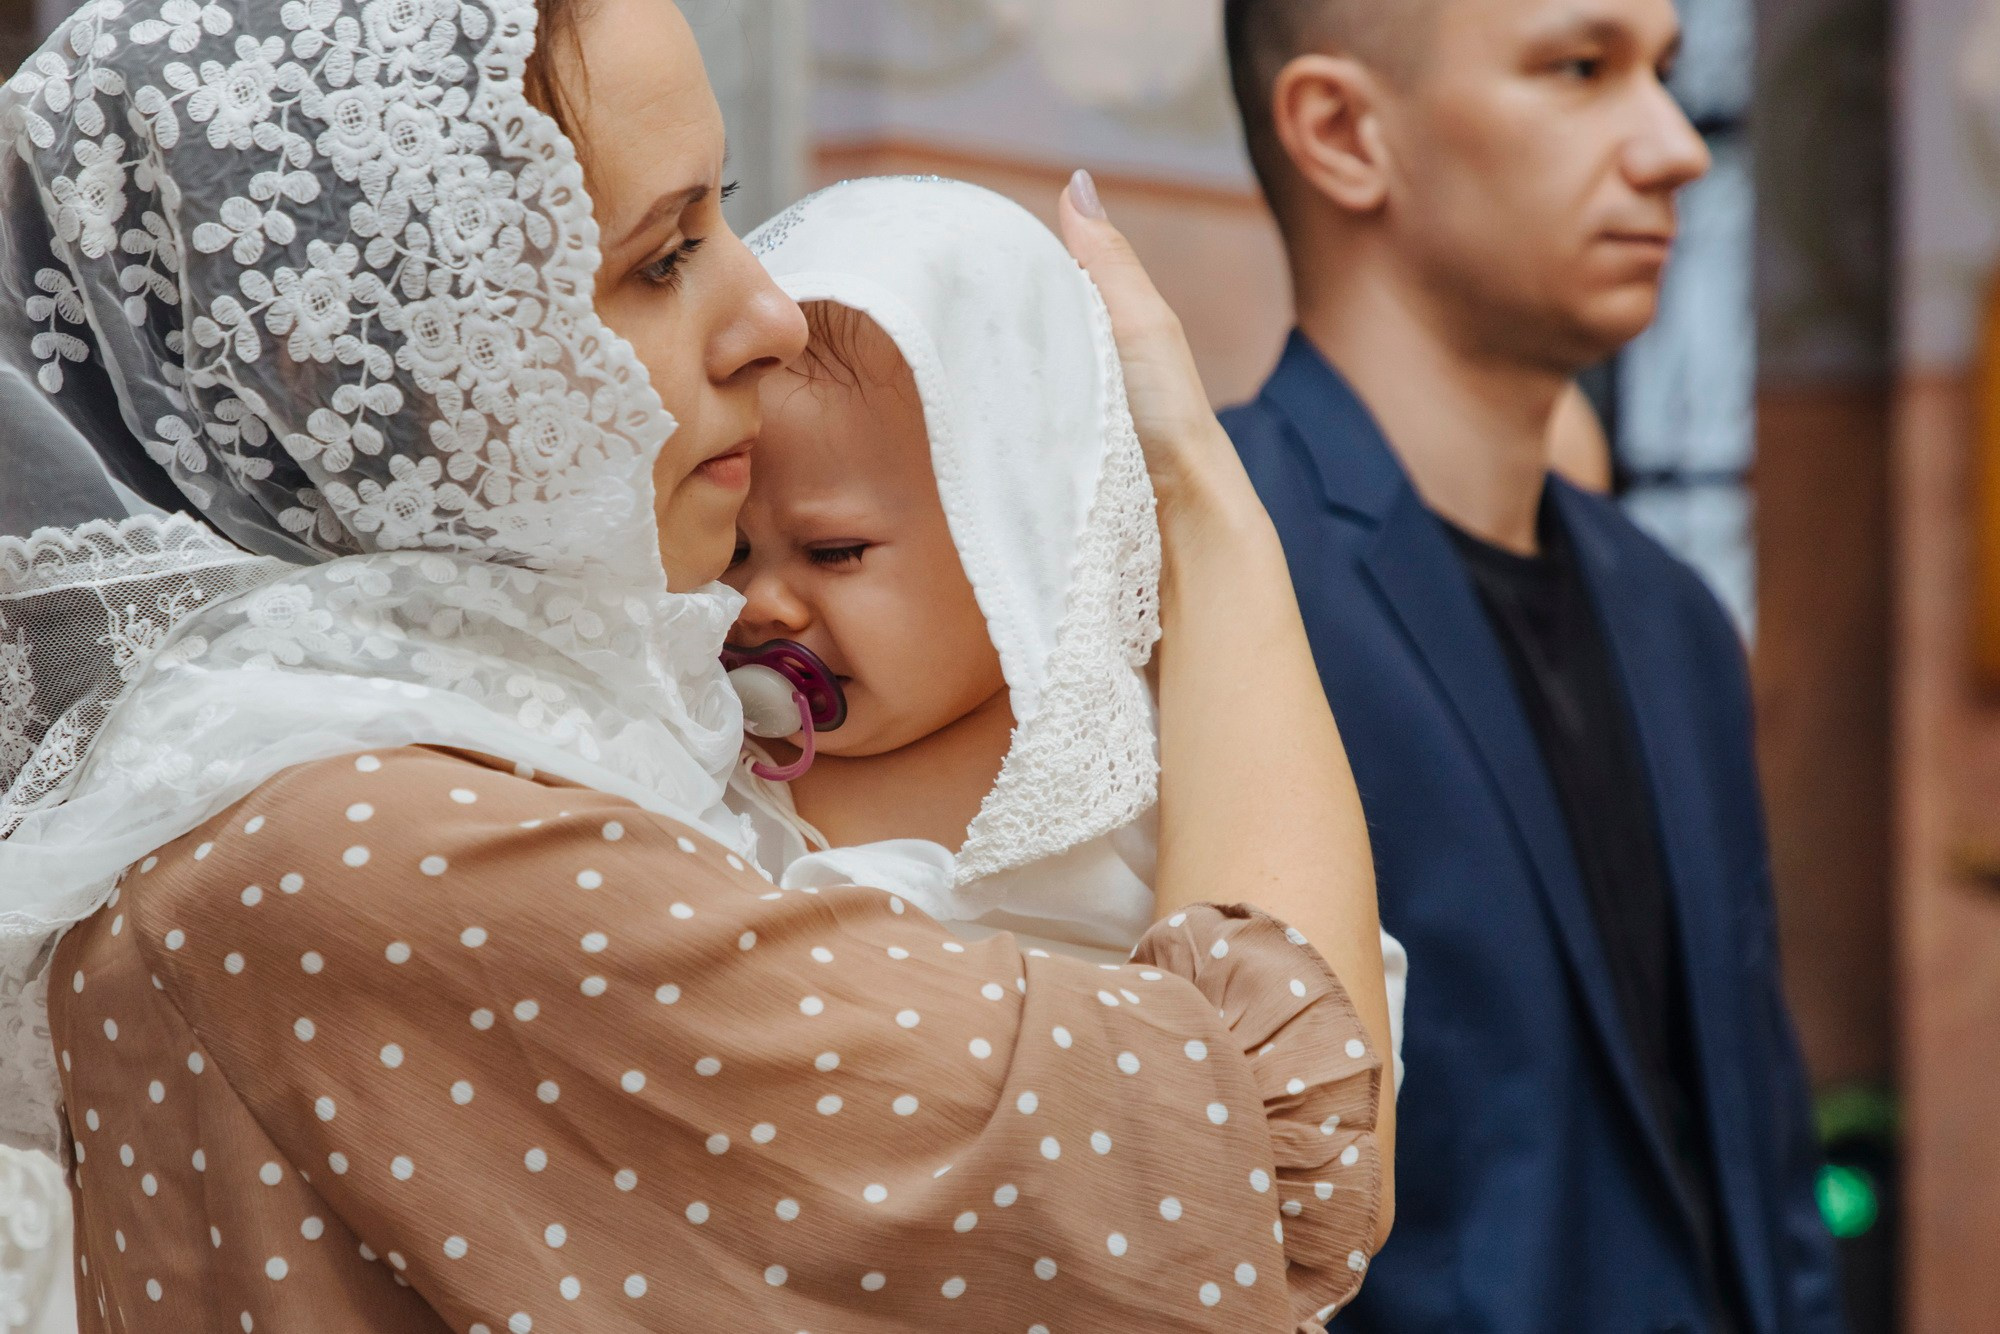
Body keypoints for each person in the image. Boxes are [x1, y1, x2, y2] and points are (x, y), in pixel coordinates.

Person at [0, 2, 1395, 1331]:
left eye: (725, 212)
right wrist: (1204, 521)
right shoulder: (372, 848)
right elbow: (1271, 1171)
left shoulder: (366, 772)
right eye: (662, 258)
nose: (771, 313)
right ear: (361, 359)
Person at [1216, 0, 1842, 1330]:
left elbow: (1757, 1153)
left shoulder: (1674, 618)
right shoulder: (1211, 564)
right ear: (1341, 133)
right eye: (1580, 68)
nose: (1676, 146)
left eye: (1667, 75)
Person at [720, 175, 1406, 1077]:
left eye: (836, 551)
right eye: (731, 551)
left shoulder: (1120, 769)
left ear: (1016, 541)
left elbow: (1331, 1029)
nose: (764, 602)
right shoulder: (704, 744)